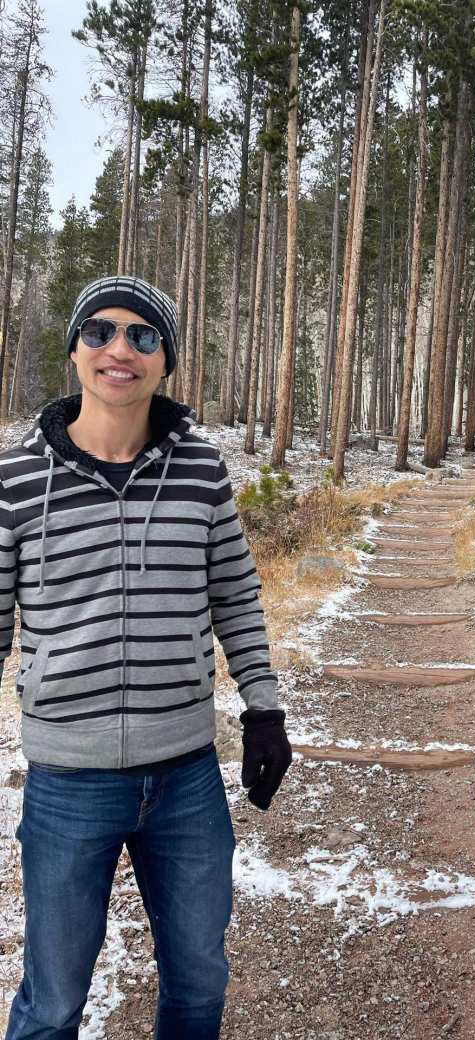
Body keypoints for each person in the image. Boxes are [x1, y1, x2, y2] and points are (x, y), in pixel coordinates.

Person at [1, 275, 293, 1040]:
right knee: (54, 1000)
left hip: (186, 778)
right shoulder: (16, 478)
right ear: (74, 351)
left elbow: (234, 594)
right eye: (99, 331)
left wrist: (263, 707)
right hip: (68, 784)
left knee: (198, 983)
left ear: (165, 362)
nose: (119, 348)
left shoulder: (201, 471)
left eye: (143, 335)